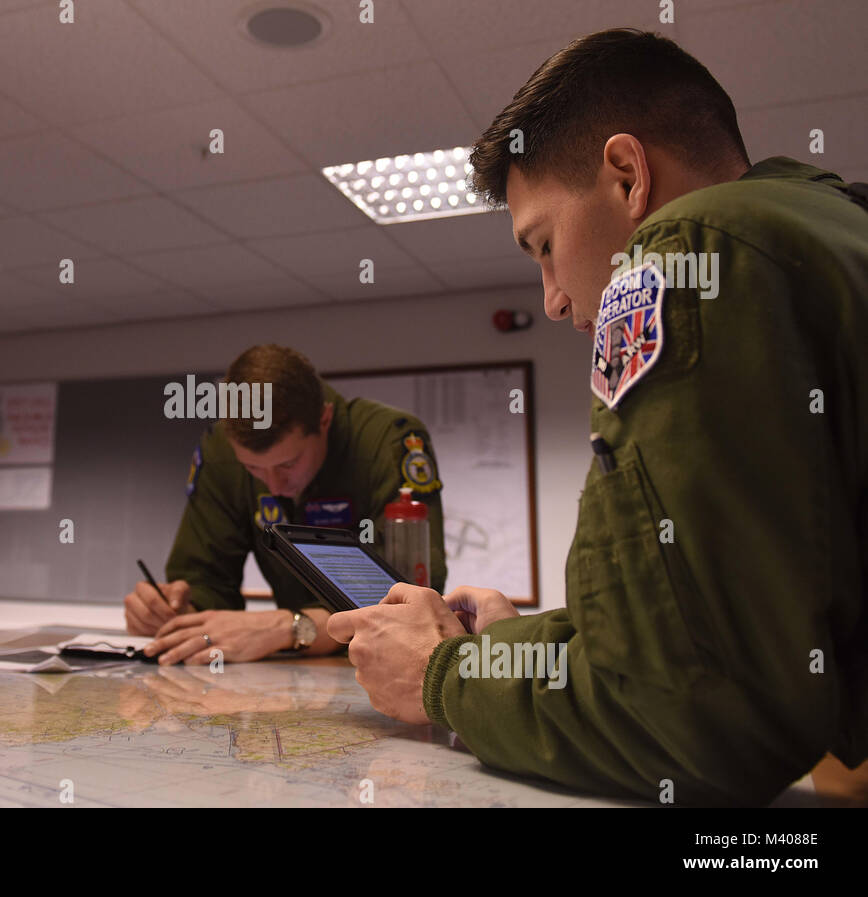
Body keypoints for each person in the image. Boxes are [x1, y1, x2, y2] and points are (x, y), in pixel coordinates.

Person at [327, 28, 868, 806]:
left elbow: (705, 720)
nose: (551, 297)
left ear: (626, 176)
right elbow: (719, 626)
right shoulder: (825, 226)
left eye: (544, 244)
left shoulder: (685, 254)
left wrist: (442, 674)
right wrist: (509, 647)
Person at [126, 344, 447, 665]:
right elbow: (206, 580)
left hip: (387, 664)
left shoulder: (388, 442)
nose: (274, 486)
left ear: (324, 420)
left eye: (288, 464)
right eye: (253, 469)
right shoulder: (220, 452)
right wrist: (181, 612)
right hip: (288, 670)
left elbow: (411, 606)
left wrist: (291, 627)